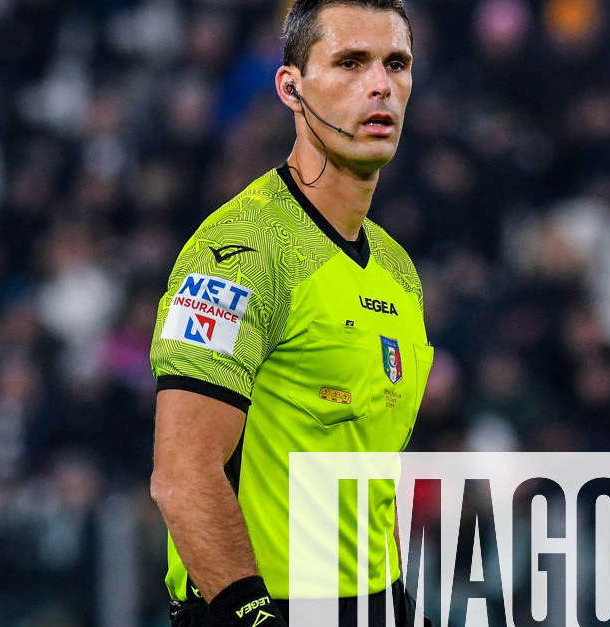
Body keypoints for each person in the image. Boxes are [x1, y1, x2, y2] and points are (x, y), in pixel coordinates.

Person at [149, 1, 433, 625]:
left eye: (397, 63)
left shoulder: (398, 271)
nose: (380, 84)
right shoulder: (238, 255)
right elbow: (182, 477)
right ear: (291, 88)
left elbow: (373, 471)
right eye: (350, 62)